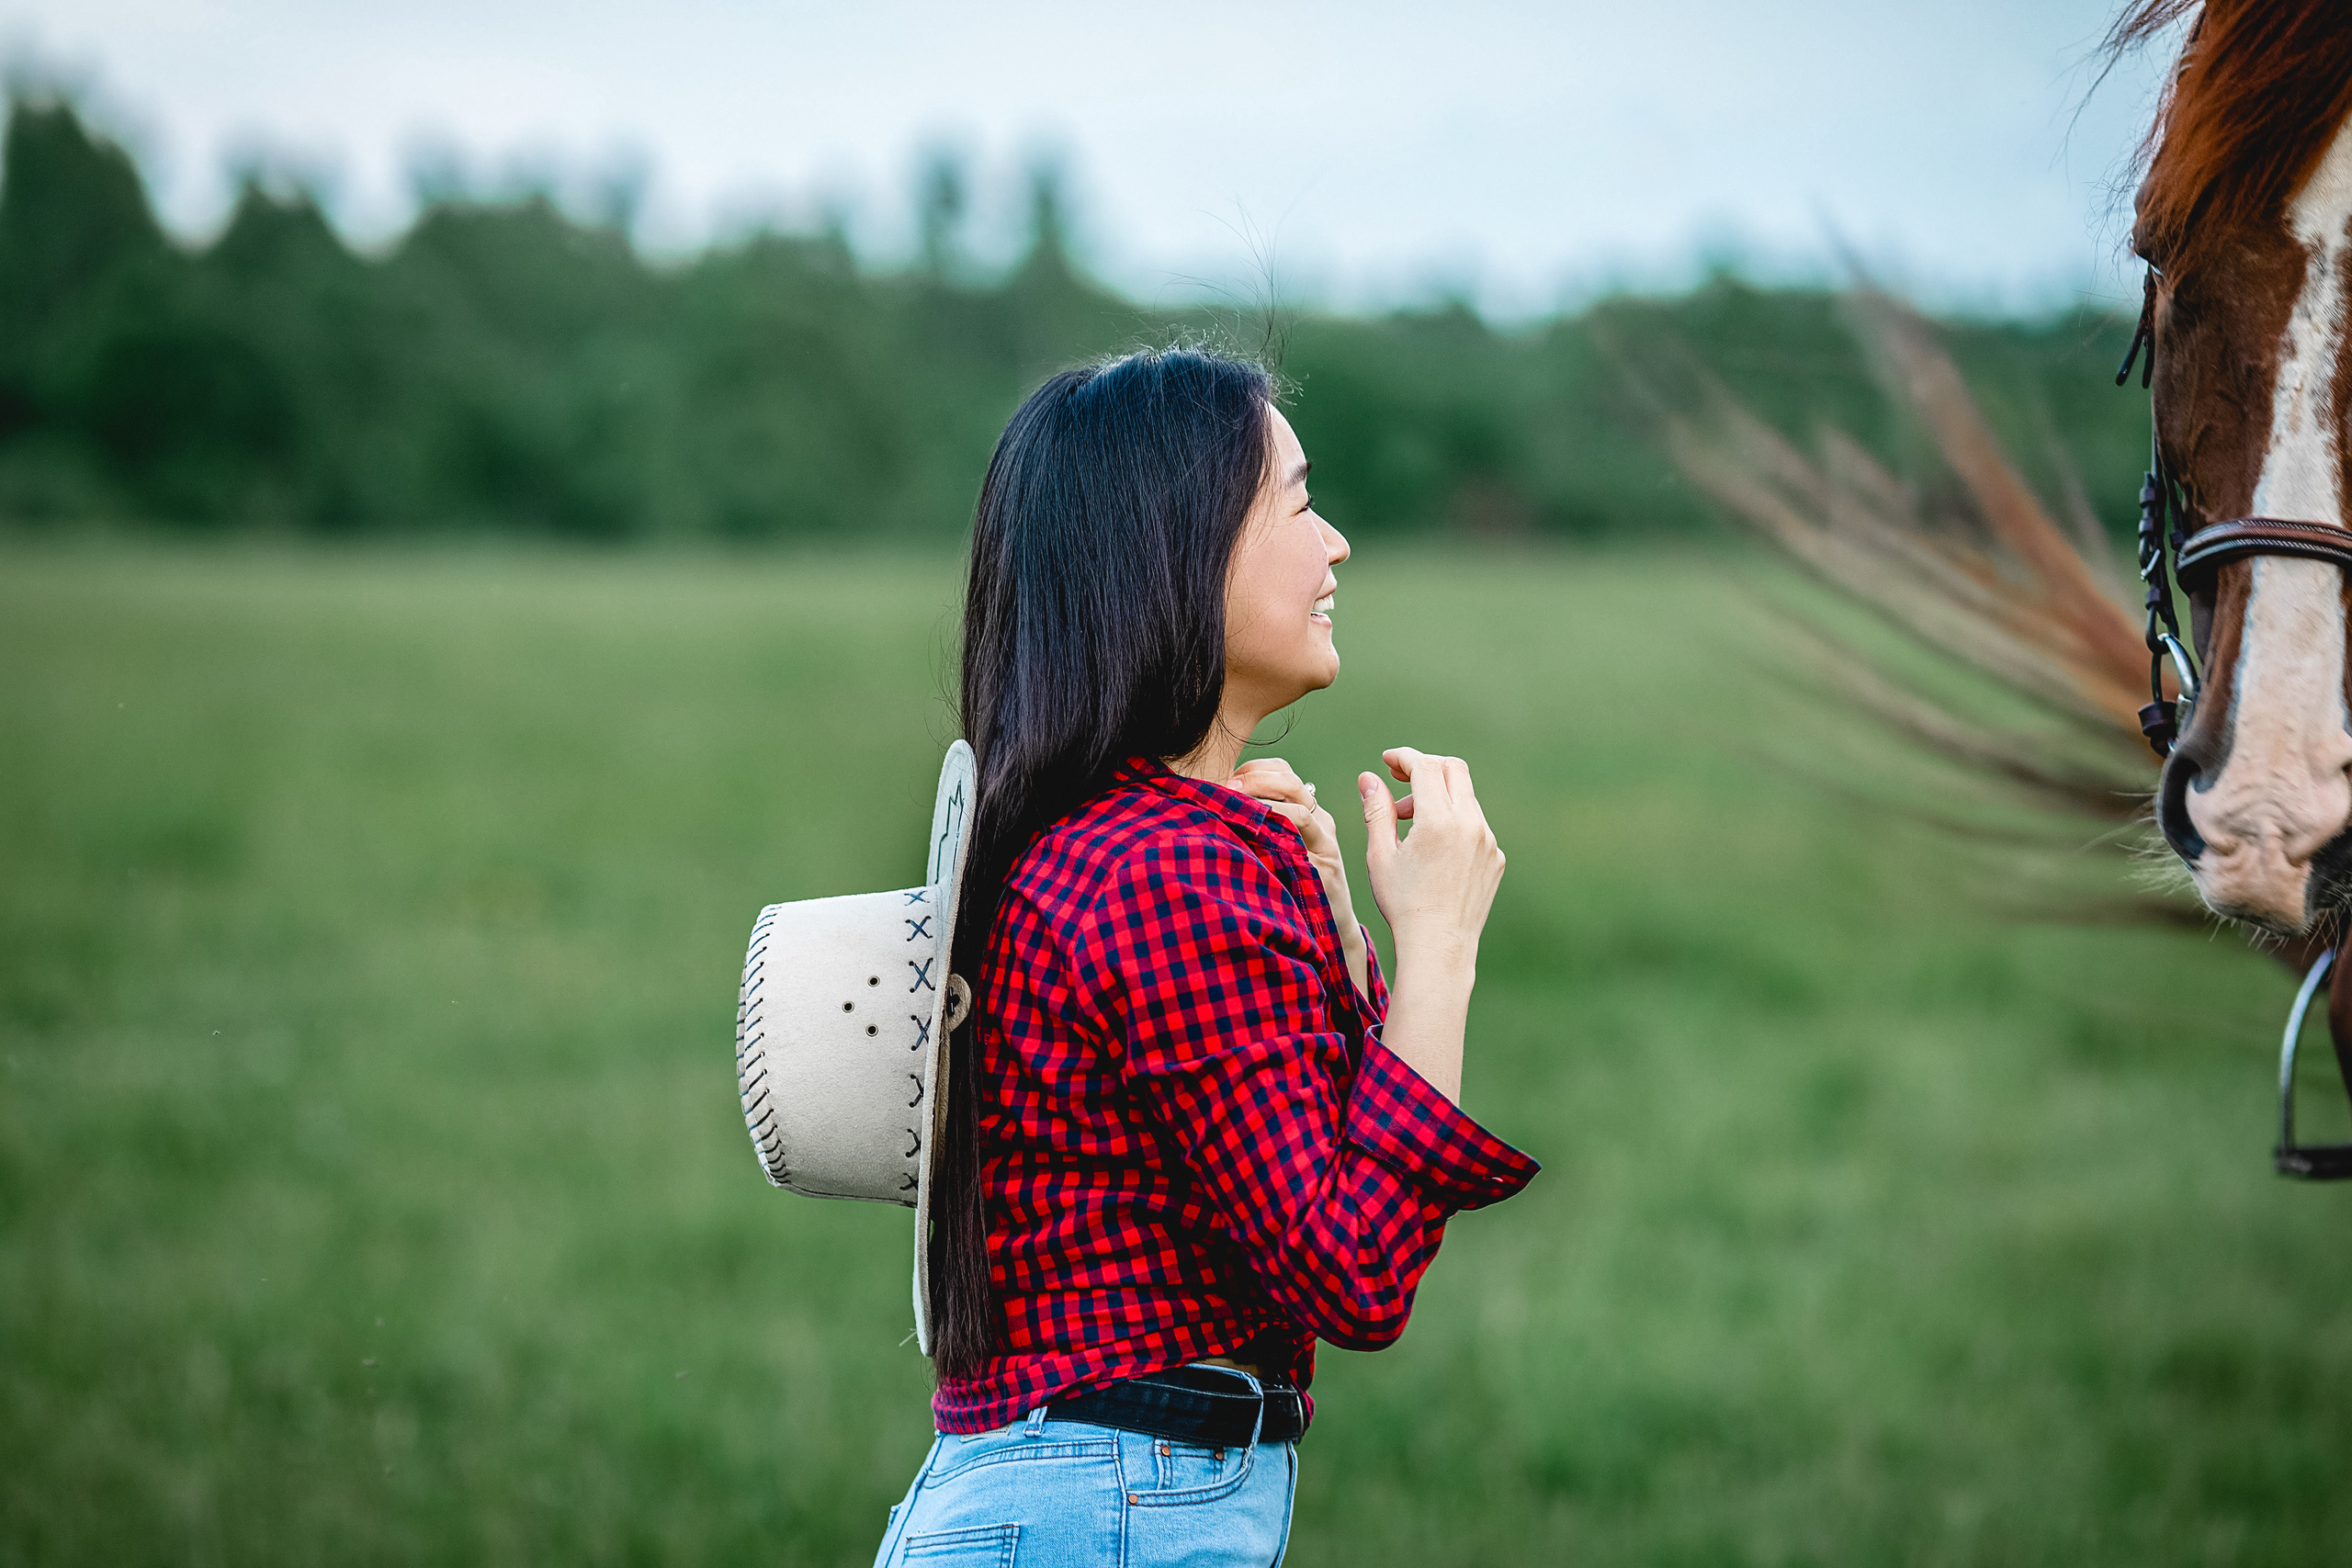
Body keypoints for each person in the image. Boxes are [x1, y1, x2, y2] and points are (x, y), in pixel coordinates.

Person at [873, 347, 1538, 1566]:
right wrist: (1439, 946)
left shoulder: (1117, 840)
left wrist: (1339, 933)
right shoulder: (1170, 869)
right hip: (1106, 1509)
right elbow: (1354, 1272)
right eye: (1295, 502)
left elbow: (1303, 1155)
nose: (1335, 542)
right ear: (1175, 550)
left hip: (1085, 1494)